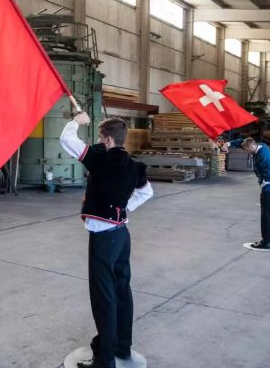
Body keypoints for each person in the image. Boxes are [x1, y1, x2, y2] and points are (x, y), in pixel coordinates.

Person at [59, 112, 154, 368]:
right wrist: (124, 208)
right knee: (122, 290)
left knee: (104, 297)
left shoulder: (99, 158)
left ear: (108, 139)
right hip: (122, 235)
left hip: (103, 238)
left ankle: (104, 359)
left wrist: (76, 122)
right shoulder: (134, 166)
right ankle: (123, 346)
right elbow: (147, 192)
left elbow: (66, 139)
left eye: (101, 137)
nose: (99, 142)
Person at [222, 137, 270, 250]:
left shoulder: (262, 157)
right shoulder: (261, 146)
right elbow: (242, 141)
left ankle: (266, 242)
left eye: (247, 150)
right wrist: (228, 144)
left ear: (251, 147)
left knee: (266, 216)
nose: (247, 153)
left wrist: (264, 183)